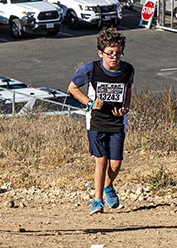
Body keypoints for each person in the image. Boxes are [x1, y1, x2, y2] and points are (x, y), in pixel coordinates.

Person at [67, 27, 134, 215]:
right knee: (101, 159)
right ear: (100, 53)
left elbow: (128, 90)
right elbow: (72, 87)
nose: (114, 57)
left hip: (117, 120)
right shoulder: (90, 69)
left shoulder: (128, 69)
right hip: (96, 119)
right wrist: (89, 104)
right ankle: (98, 201)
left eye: (118, 53)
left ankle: (108, 187)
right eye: (110, 53)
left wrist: (125, 107)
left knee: (116, 163)